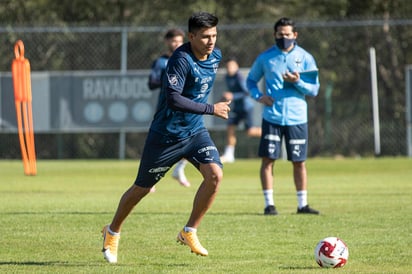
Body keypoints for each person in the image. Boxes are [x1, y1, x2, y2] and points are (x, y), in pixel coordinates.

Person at [102, 11, 230, 263]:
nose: (211, 41)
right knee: (142, 188)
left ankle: (189, 231)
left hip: (195, 132)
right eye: (205, 36)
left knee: (215, 175)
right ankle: (112, 230)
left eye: (214, 35)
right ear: (191, 36)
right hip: (166, 136)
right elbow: (173, 98)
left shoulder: (216, 56)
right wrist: (211, 109)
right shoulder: (179, 60)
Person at [246, 17, 320, 216]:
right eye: (280, 34)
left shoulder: (305, 57)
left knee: (299, 162)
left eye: (287, 34)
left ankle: (302, 205)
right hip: (272, 117)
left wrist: (297, 82)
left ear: (295, 35)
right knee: (268, 160)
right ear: (274, 35)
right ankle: (269, 205)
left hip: (297, 117)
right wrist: (259, 96)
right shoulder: (265, 58)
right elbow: (251, 80)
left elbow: (314, 89)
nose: (284, 38)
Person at [148, 28, 191, 188]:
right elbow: (151, 83)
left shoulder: (187, 59)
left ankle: (179, 169)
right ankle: (149, 178)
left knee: (191, 138)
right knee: (159, 143)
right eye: (174, 41)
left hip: (186, 107)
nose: (177, 44)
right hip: (167, 108)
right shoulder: (161, 62)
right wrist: (171, 79)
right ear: (167, 42)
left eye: (180, 41)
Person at [220, 58, 261, 163]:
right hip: (236, 108)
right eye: (228, 67)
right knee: (230, 127)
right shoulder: (227, 77)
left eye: (232, 66)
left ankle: (271, 133)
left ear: (237, 67)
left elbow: (246, 92)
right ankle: (229, 155)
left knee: (250, 132)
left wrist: (233, 96)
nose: (230, 69)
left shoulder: (239, 77)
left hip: (246, 108)